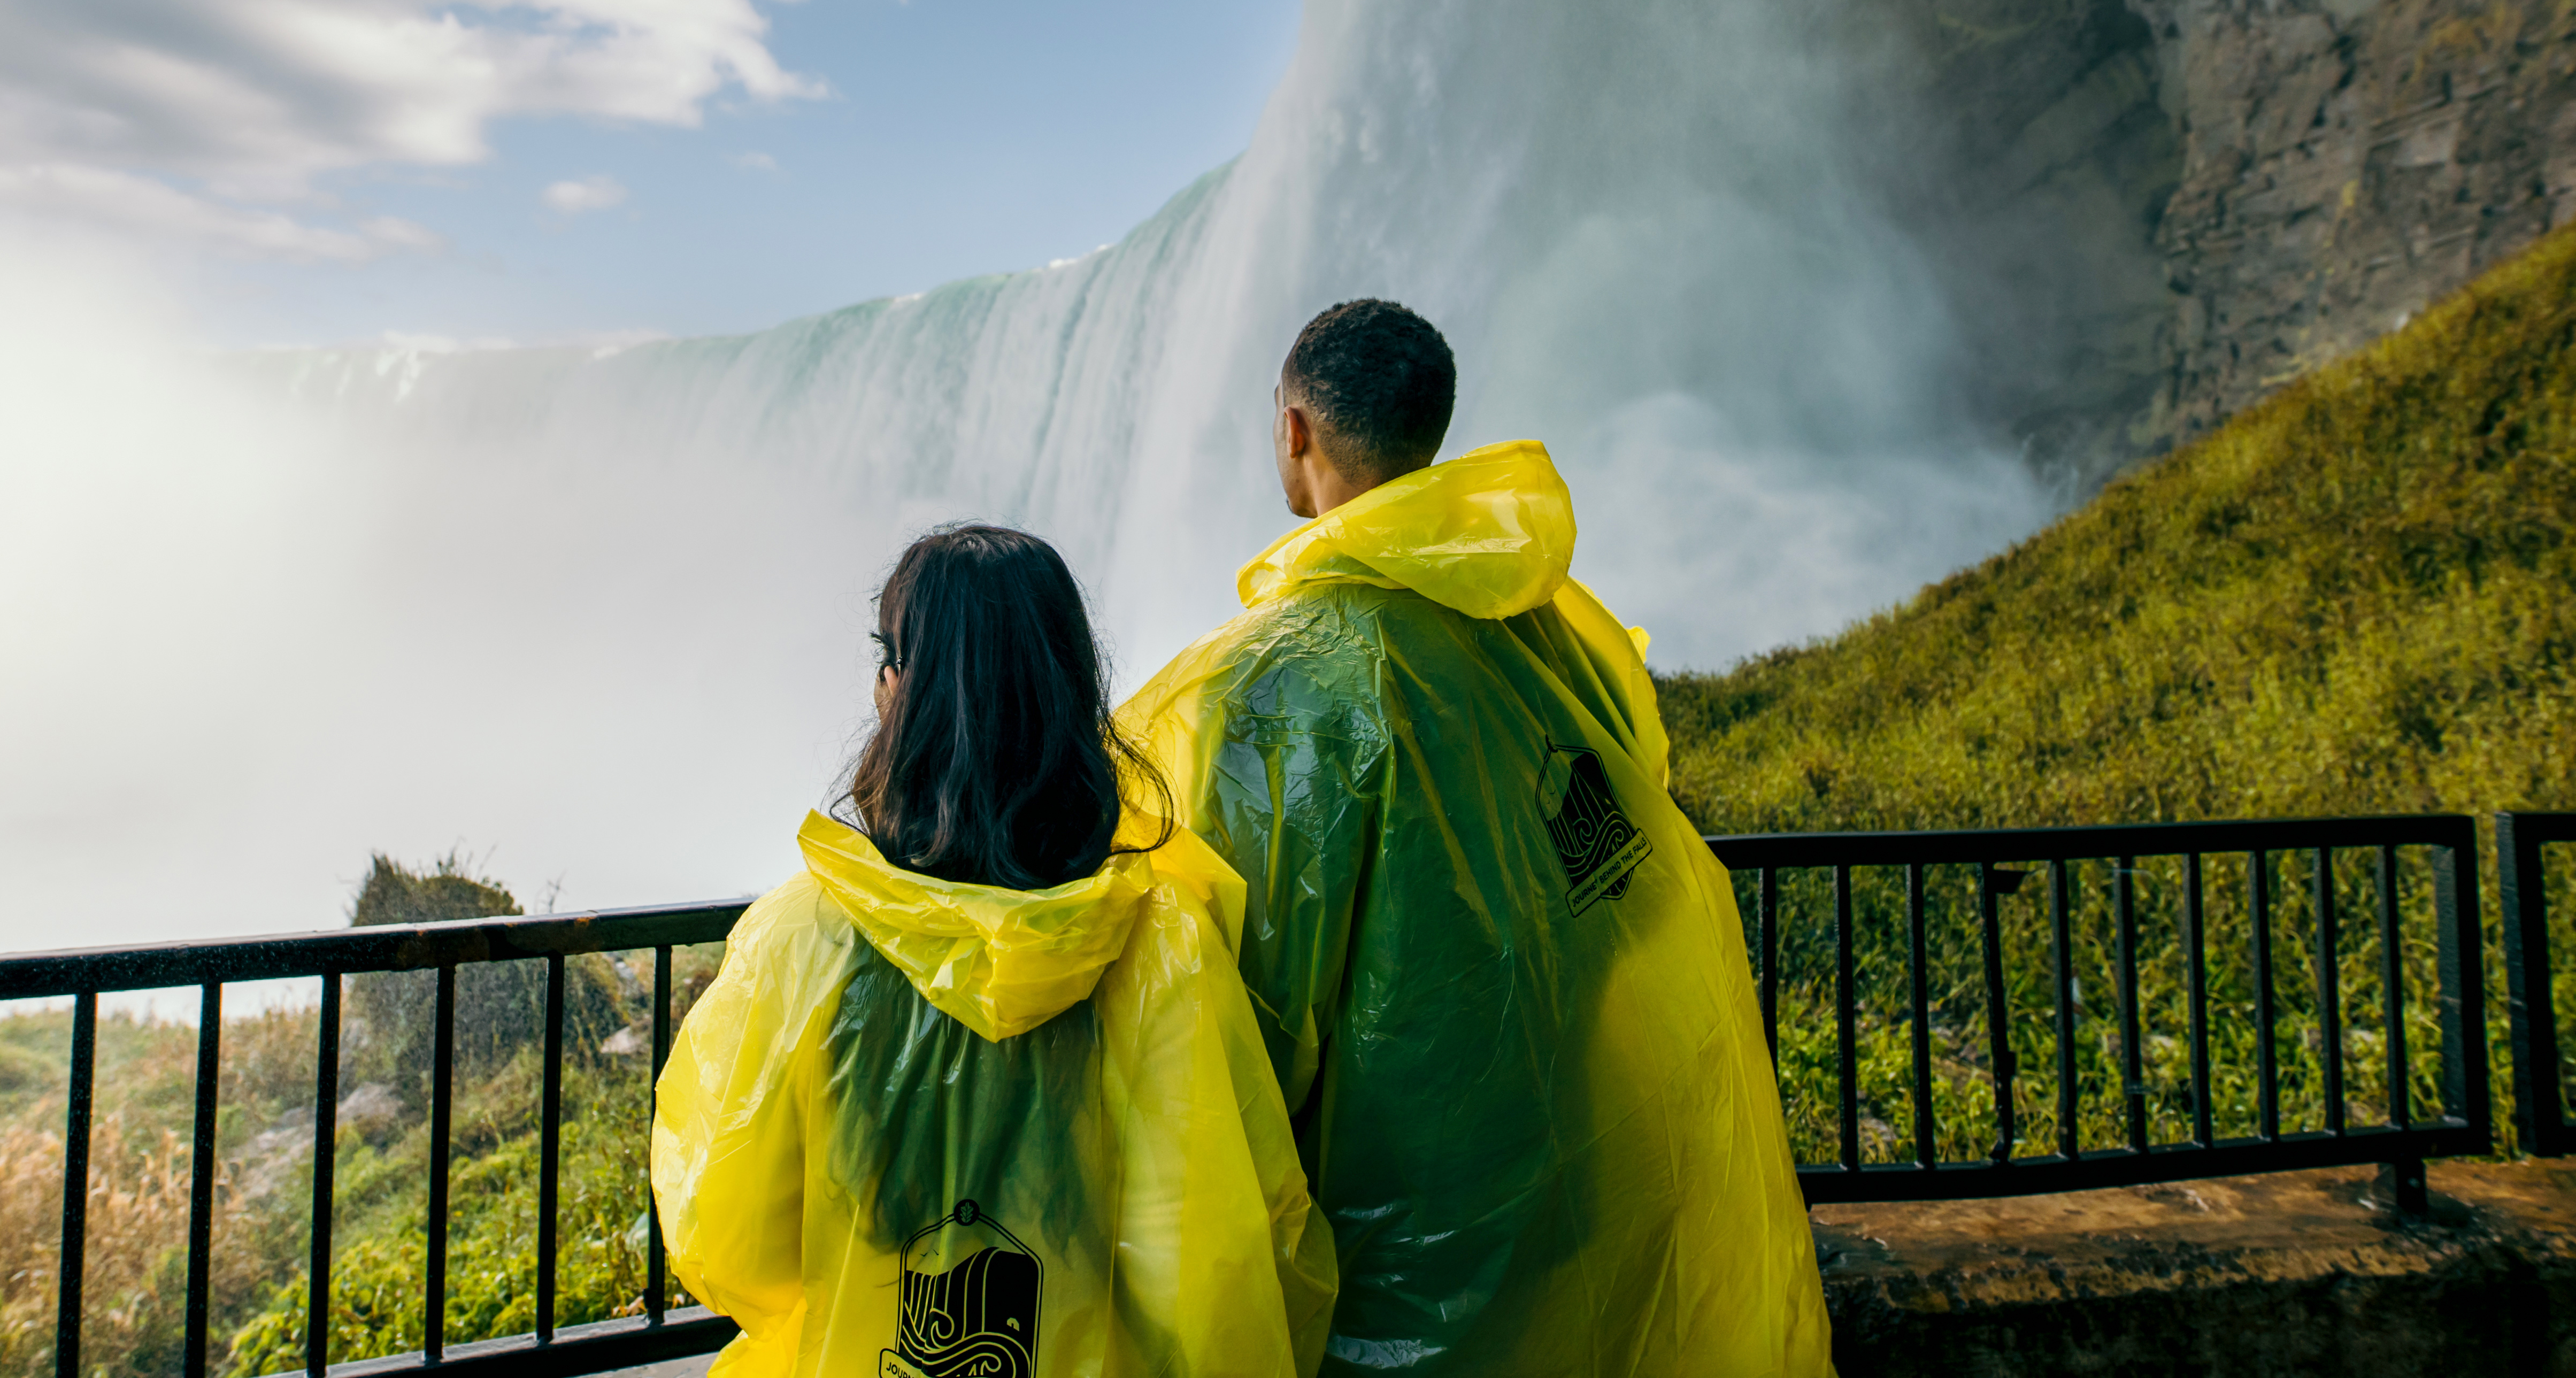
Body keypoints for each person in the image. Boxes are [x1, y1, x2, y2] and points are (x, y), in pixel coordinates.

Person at [1117, 300, 1833, 1376]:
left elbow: (1218, 1002)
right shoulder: (1552, 623)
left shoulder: (1264, 687)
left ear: (1298, 431)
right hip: (1585, 1178)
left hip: (1396, 1254)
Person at [652, 524, 1337, 1378]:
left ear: (901, 693)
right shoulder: (1160, 950)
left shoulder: (801, 942)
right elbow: (1213, 1278)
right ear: (1068, 692)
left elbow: (731, 1243)